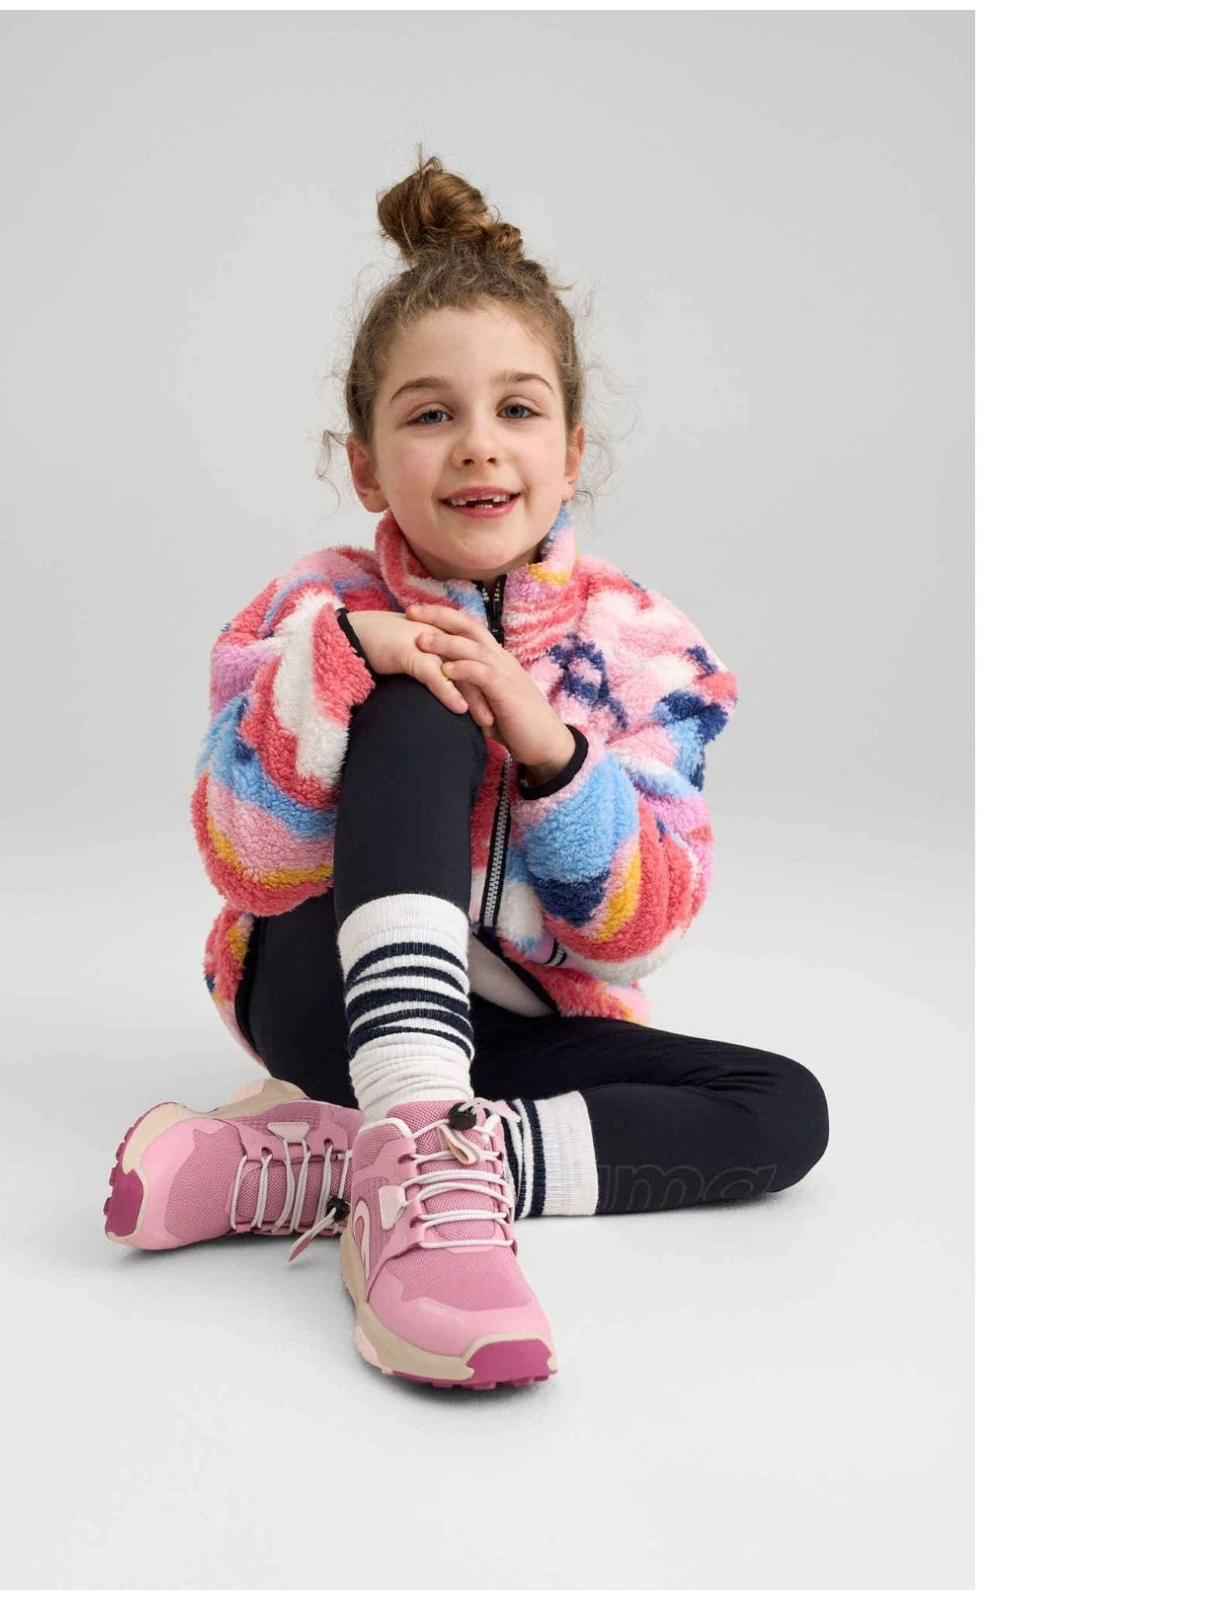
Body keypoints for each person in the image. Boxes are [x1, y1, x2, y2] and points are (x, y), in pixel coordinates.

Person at [102, 150, 829, 1392]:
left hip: (512, 1033)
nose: (477, 447)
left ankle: (351, 1164)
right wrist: (342, 664)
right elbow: (243, 857)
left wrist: (549, 749)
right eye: (430, 414)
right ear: (366, 463)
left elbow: (642, 935)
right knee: (422, 696)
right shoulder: (306, 610)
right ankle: (415, 1179)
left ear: (572, 448)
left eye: (517, 410)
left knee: (783, 1109)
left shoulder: (643, 648)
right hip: (322, 996)